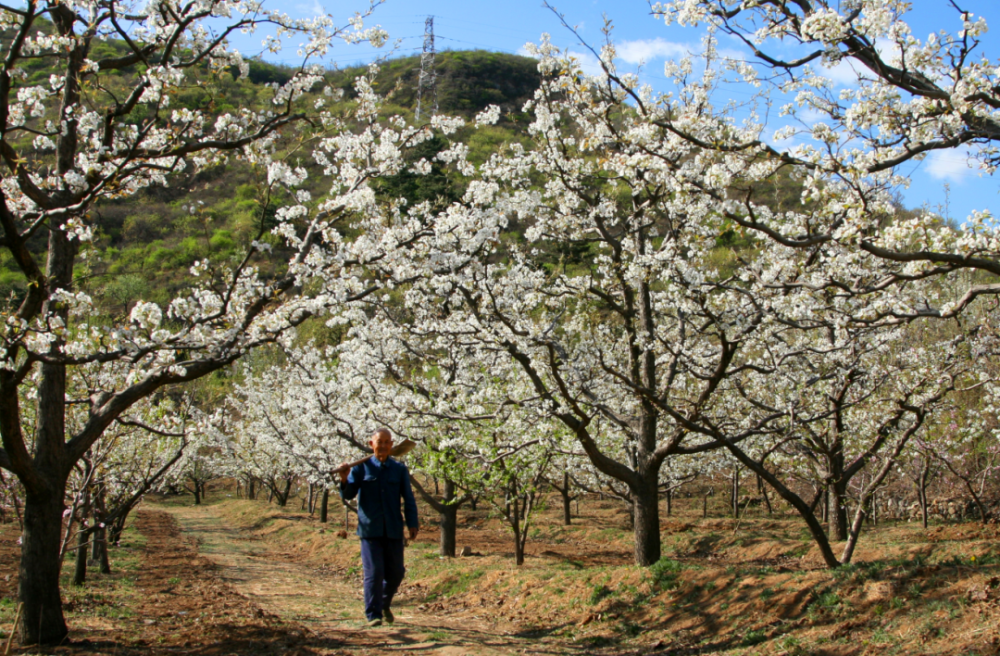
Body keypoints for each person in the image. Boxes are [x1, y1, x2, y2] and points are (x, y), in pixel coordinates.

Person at [338, 428, 419, 627]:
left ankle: (383, 603)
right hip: (370, 530)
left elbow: (408, 498)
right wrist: (343, 478)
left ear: (392, 445)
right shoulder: (361, 469)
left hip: (393, 528)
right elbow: (348, 494)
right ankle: (373, 614)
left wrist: (412, 523)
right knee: (374, 573)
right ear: (371, 444)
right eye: (379, 442)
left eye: (386, 442)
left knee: (396, 573)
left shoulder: (399, 470)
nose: (382, 446)